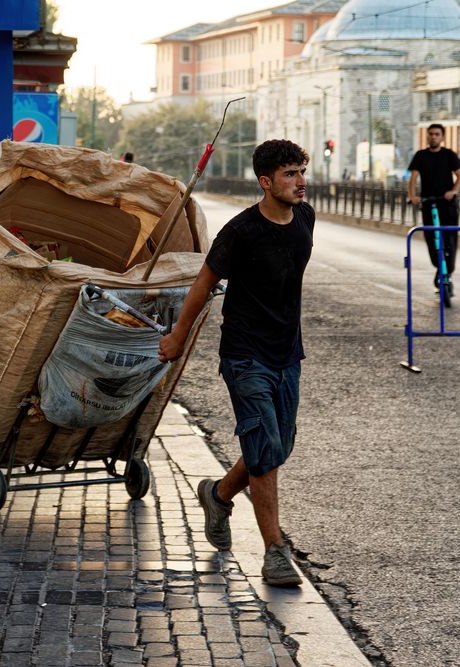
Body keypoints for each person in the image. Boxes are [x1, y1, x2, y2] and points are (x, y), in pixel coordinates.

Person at [158, 139, 314, 587]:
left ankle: (219, 494)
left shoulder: (305, 216)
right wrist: (177, 336)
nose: (300, 181)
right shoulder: (241, 231)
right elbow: (203, 284)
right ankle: (275, 552)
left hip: (288, 352)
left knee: (278, 446)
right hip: (246, 354)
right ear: (266, 182)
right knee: (265, 451)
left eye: (302, 171)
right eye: (289, 174)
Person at [407, 123, 460, 292]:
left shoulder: (449, 155)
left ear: (442, 137)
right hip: (428, 203)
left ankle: (447, 272)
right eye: (431, 134)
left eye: (437, 134)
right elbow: (413, 177)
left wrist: (453, 191)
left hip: (447, 204)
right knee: (431, 239)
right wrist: (413, 196)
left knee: (450, 240)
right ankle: (439, 267)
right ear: (427, 136)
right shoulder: (420, 156)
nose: (433, 137)